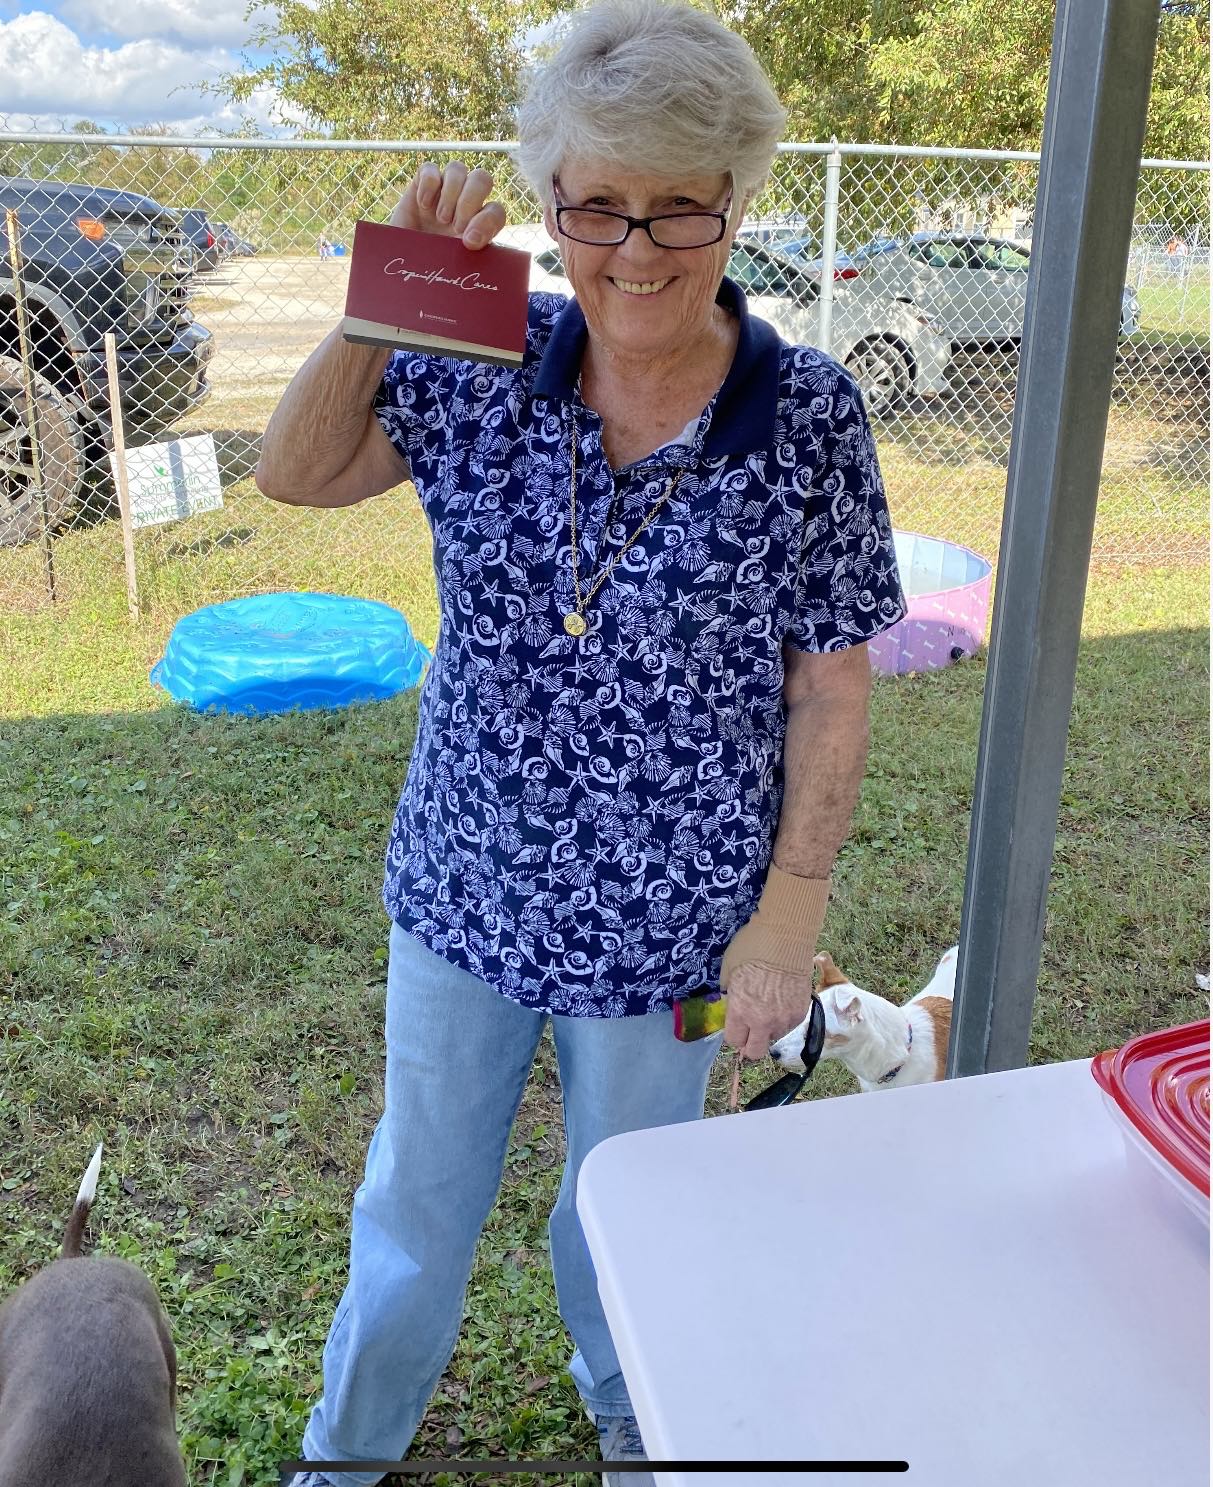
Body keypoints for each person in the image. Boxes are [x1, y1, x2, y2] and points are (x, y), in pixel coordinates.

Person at [256, 2, 906, 1483]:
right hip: (464, 893)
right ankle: (345, 1456)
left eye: (678, 204)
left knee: (629, 1200)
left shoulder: (804, 412)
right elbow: (297, 475)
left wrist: (786, 918)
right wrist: (385, 296)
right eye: (596, 204)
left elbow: (830, 686)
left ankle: (637, 1419)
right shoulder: (484, 341)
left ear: (734, 199)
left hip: (675, 928)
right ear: (548, 206)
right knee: (415, 1202)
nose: (635, 248)